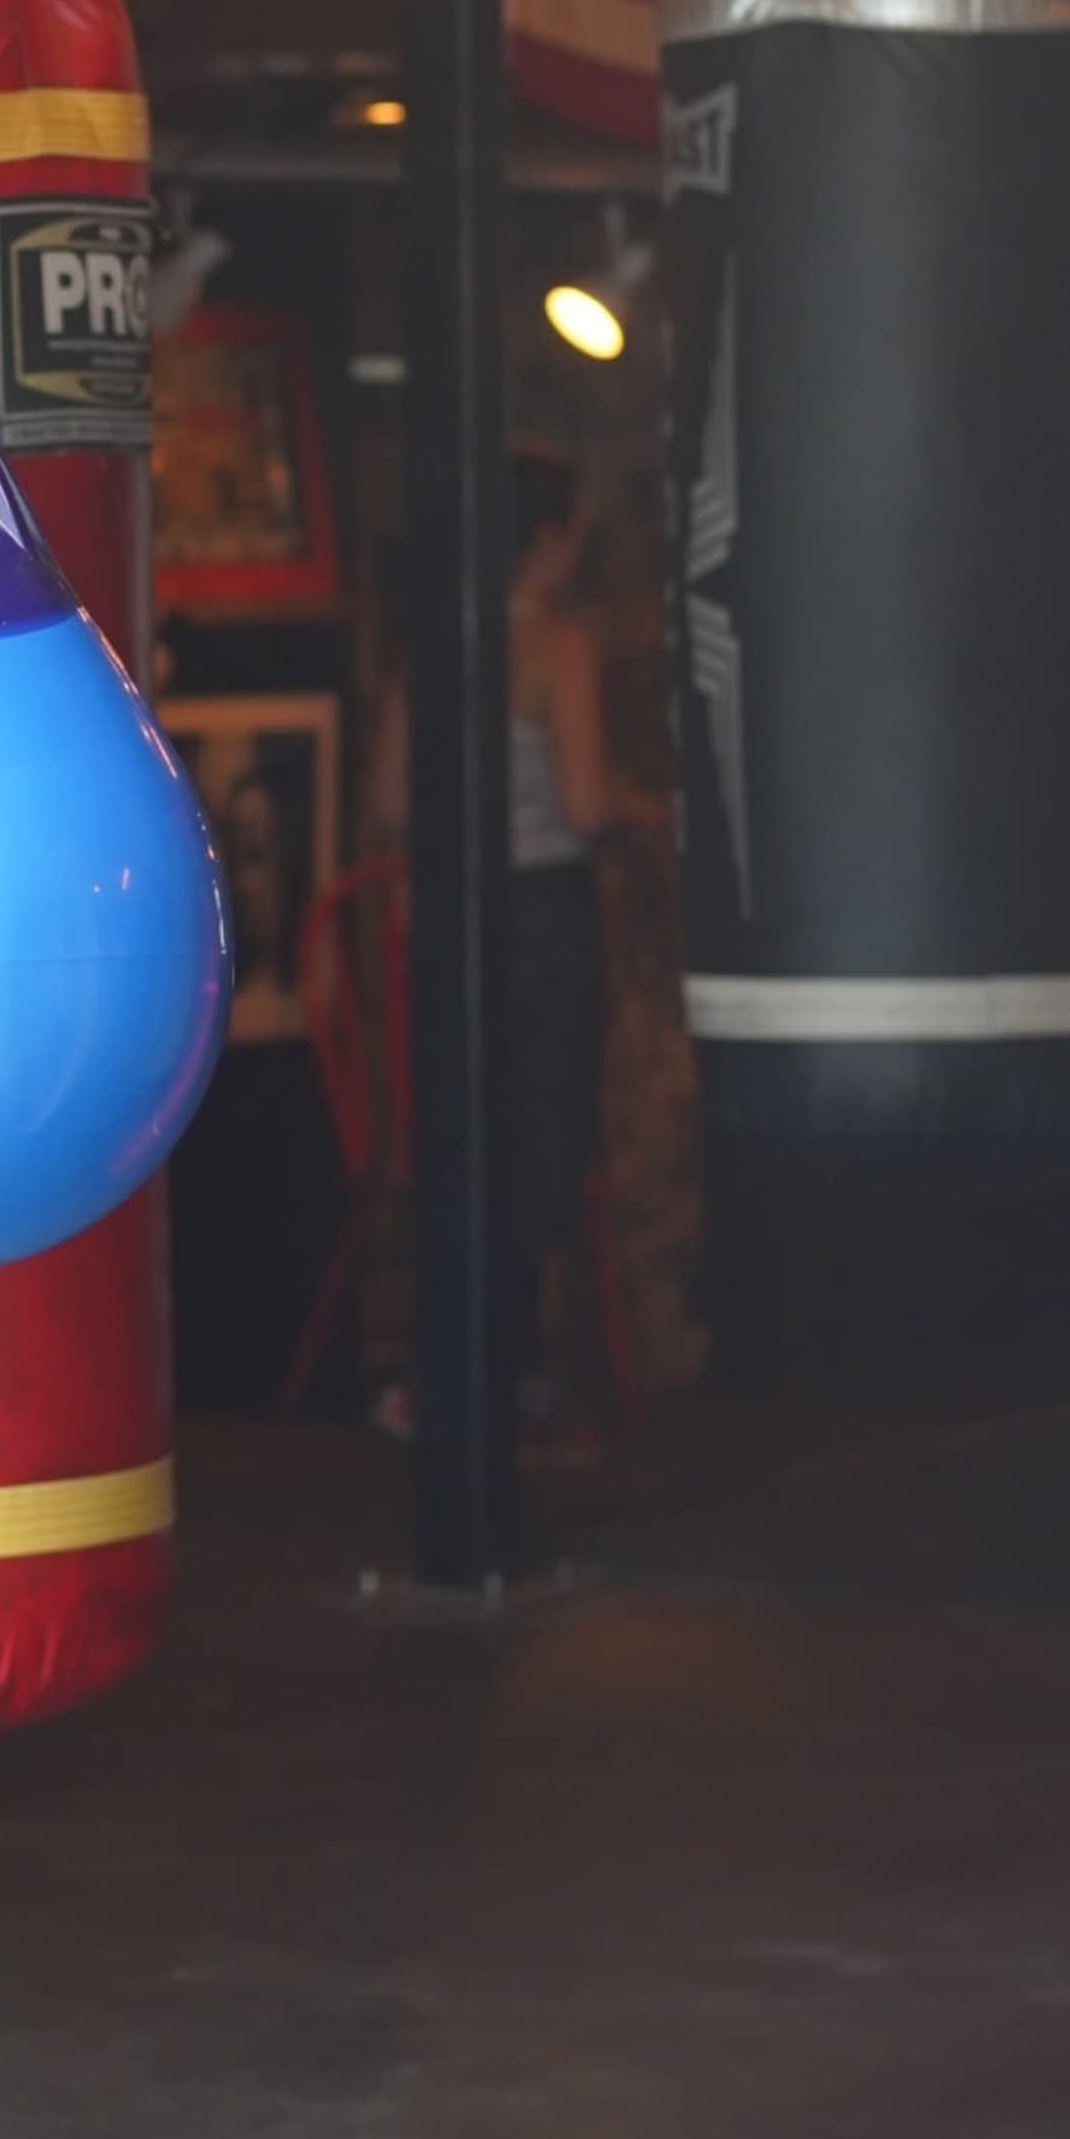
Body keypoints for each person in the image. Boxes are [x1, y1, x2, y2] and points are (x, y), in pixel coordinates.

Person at [499, 449, 653, 1426]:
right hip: (545, 915)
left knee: (483, 1134)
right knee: (552, 1138)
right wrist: (661, 813)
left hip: (454, 921)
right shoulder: (557, 647)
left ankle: (491, 1359)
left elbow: (389, 797)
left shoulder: (439, 640)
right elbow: (589, 802)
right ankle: (536, 1371)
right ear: (552, 541)